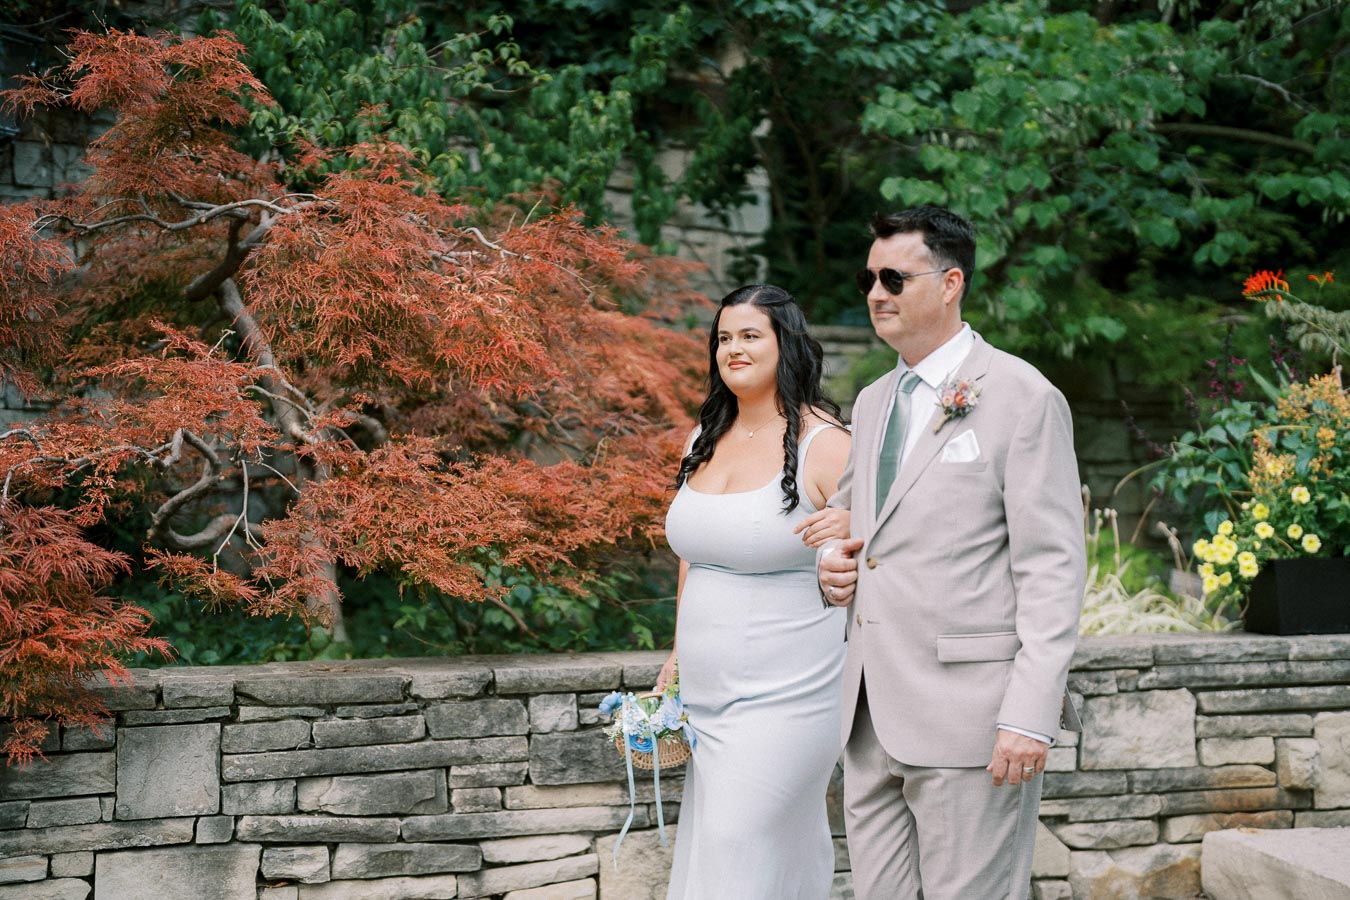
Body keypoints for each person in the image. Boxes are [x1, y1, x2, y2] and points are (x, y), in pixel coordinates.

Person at [817, 207, 1086, 900]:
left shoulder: (1025, 397)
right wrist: (835, 565)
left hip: (972, 718)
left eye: (894, 278)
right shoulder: (875, 401)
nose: (876, 293)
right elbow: (856, 528)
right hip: (870, 717)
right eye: (868, 278)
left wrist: (1029, 714)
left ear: (950, 283)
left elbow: (1052, 568)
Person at [657, 284, 852, 900]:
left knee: (737, 848)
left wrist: (858, 538)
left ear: (784, 344)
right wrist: (678, 653)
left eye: (750, 335)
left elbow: (889, 543)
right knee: (727, 856)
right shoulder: (701, 439)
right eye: (723, 337)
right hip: (707, 698)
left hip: (789, 698)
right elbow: (694, 556)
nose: (732, 349)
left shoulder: (827, 444)